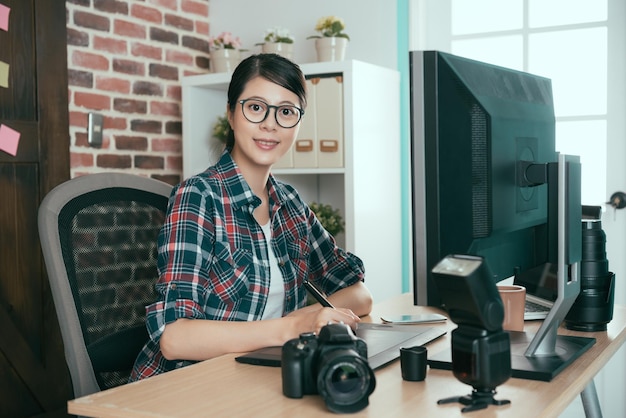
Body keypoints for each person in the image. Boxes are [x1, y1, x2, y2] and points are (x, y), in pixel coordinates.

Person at [130, 53, 373, 381]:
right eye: (256, 107)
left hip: (256, 374)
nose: (270, 124)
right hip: (185, 384)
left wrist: (308, 320)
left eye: (286, 112)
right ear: (231, 114)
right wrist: (290, 327)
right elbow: (174, 338)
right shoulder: (198, 198)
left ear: (298, 124)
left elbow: (358, 294)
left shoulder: (289, 204)